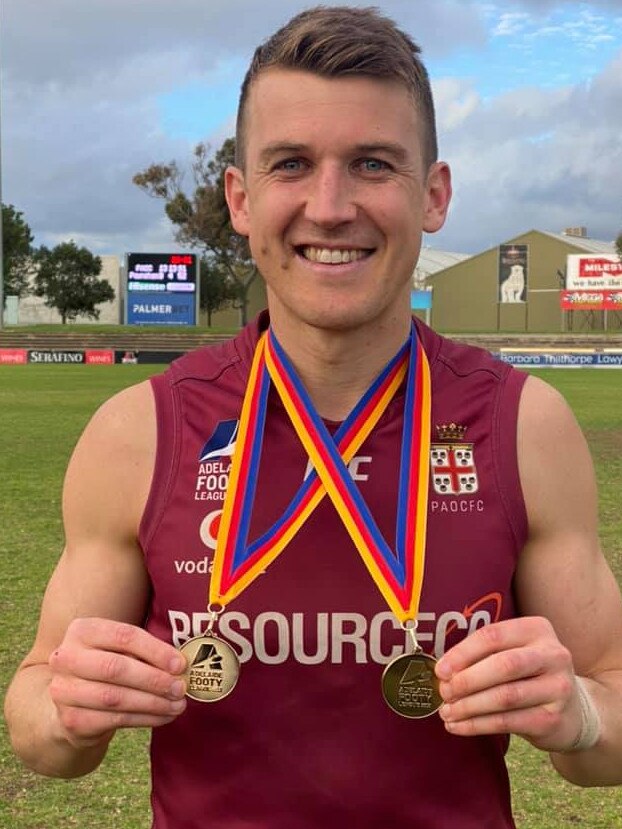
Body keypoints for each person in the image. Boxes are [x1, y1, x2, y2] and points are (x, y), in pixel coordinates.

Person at [5, 6, 622, 828]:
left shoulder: (523, 426)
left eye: (373, 164)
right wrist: (63, 707)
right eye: (291, 163)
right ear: (241, 197)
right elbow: (40, 728)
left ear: (434, 195)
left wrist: (580, 713)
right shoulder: (139, 431)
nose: (330, 208)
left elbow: (612, 717)